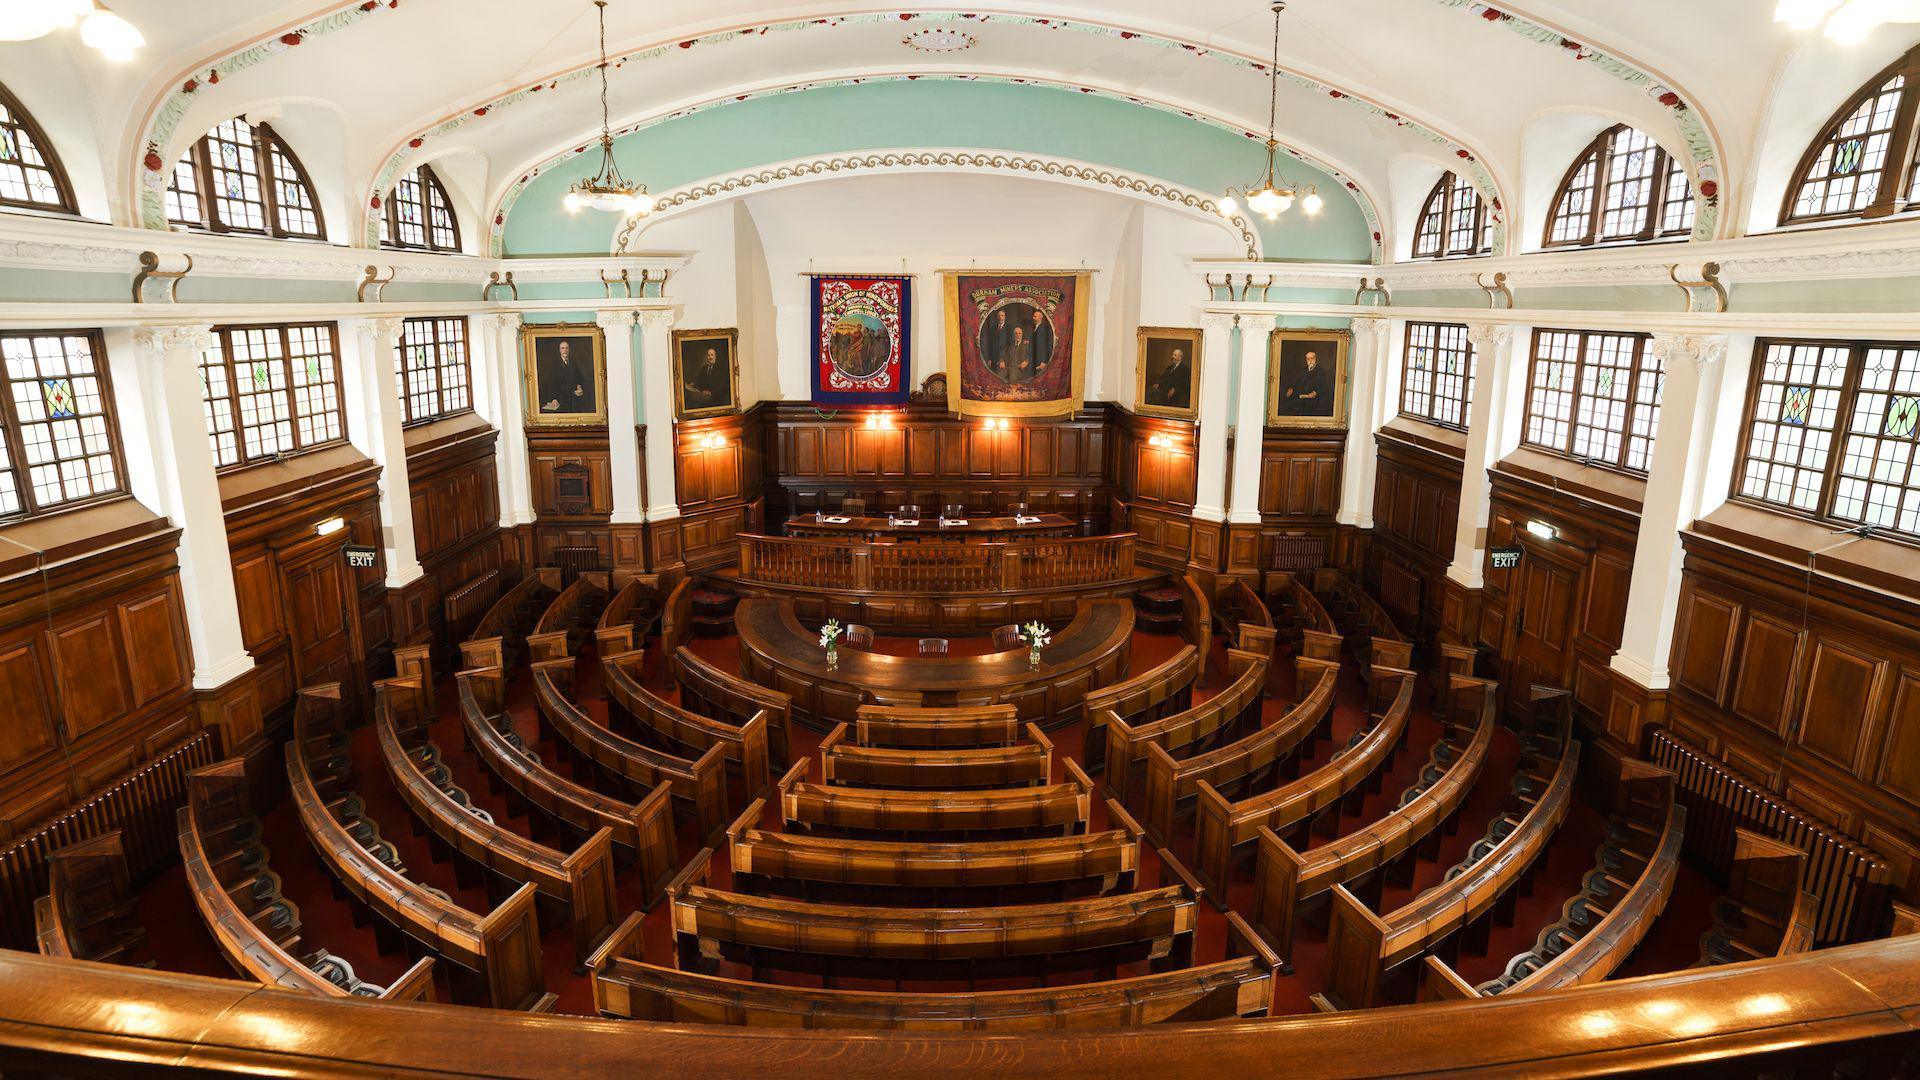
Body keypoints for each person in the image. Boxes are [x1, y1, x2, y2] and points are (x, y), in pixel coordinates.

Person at [538, 338, 594, 414]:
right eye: (563, 348)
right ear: (560, 350)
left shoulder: (573, 362)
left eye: (566, 348)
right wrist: (554, 398)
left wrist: (579, 386)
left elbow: (580, 378)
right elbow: (552, 383)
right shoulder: (554, 364)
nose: (565, 350)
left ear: (569, 350)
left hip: (574, 399)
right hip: (561, 399)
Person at [1277, 347, 1334, 417]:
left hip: (1314, 399)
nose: (1310, 360)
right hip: (1302, 396)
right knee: (1285, 405)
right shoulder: (1303, 370)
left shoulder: (1321, 371)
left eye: (1312, 358)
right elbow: (1296, 382)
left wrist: (1314, 393)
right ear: (1306, 360)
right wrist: (1291, 388)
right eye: (1308, 359)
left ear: (1315, 359)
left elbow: (1324, 387)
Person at [682, 345, 730, 411]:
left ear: (715, 356)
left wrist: (711, 392)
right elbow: (699, 381)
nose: (710, 357)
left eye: (712, 355)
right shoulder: (704, 368)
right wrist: (691, 385)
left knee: (692, 398)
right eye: (708, 355)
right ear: (706, 357)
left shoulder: (721, 369)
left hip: (715, 397)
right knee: (690, 397)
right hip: (703, 395)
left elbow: (723, 385)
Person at [1147, 345, 1192, 409]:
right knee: (1150, 391)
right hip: (1163, 389)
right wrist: (1158, 383)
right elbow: (1162, 377)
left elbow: (1184, 383)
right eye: (1173, 355)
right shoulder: (1169, 368)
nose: (1172, 356)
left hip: (1176, 394)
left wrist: (1174, 389)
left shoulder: (1185, 369)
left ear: (1180, 357)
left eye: (1175, 355)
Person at [981, 308, 1013, 375]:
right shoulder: (992, 328)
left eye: (1002, 316)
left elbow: (1010, 345)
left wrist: (1003, 360)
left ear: (1005, 317)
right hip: (993, 358)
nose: (1000, 317)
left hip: (1004, 359)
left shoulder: (1009, 328)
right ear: (997, 317)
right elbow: (990, 344)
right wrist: (989, 358)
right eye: (999, 316)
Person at [1026, 306, 1055, 372]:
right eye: (1033, 316)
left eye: (1035, 316)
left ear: (1040, 318)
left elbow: (1046, 346)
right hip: (1033, 359)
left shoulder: (1043, 329)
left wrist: (1044, 361)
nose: (1033, 318)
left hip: (1040, 361)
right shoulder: (1035, 328)